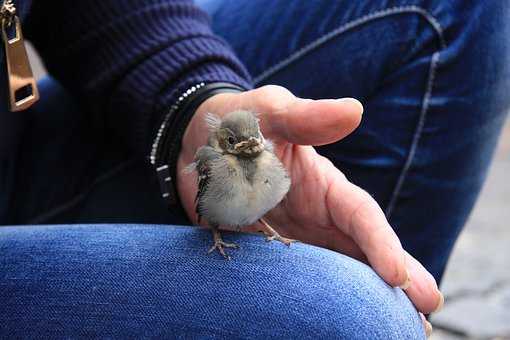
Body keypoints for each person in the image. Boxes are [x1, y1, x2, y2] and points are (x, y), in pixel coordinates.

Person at [1, 0, 508, 338]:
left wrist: (191, 105)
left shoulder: (252, 159)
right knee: (352, 315)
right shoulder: (219, 171)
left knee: (456, 9)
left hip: (19, 148)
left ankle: (410, 311)